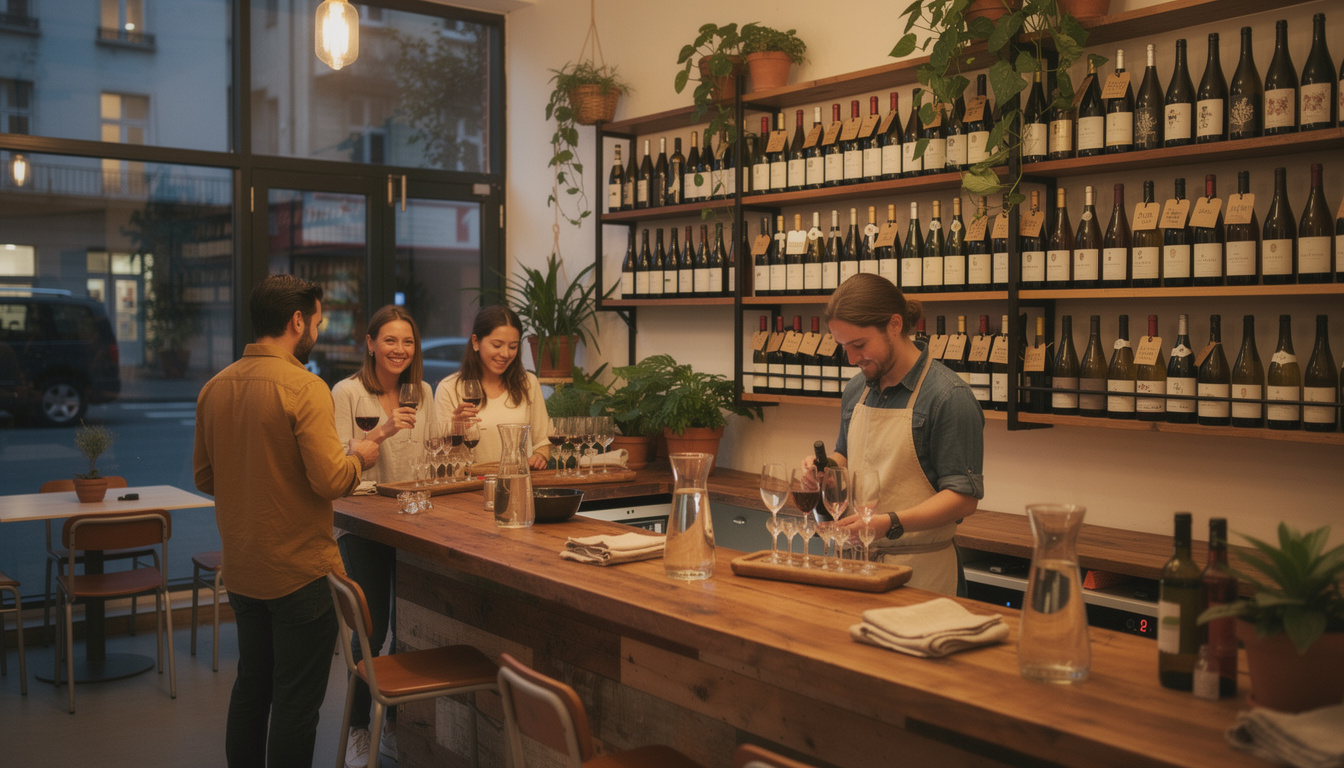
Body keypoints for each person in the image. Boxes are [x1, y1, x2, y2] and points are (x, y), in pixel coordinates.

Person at [194, 274, 378, 768]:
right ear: (297, 321)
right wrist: (362, 455)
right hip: (301, 572)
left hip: (244, 568)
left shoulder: (215, 387)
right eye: (317, 320)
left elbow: (206, 476)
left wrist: (256, 482)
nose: (318, 328)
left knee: (252, 687)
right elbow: (330, 480)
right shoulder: (304, 386)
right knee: (297, 703)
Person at [806, 273, 984, 595]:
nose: (852, 358)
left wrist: (887, 523)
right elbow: (847, 454)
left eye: (859, 344)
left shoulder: (948, 396)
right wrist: (825, 468)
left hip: (920, 575)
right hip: (857, 567)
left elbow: (963, 498)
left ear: (895, 325)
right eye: (843, 347)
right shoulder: (857, 388)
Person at [330, 305, 433, 768]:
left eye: (407, 341)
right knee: (371, 631)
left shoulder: (423, 391)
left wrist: (455, 434)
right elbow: (334, 455)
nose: (400, 349)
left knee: (409, 625)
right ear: (370, 343)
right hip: (363, 519)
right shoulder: (347, 393)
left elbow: (428, 455)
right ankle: (357, 729)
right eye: (390, 340)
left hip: (414, 520)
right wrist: (385, 430)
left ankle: (392, 726)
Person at [435, 305, 550, 469]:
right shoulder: (449, 388)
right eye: (497, 345)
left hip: (517, 484)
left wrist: (540, 457)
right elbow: (441, 458)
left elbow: (542, 442)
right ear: (476, 341)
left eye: (513, 347)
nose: (505, 354)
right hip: (470, 487)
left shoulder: (528, 383)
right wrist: (455, 430)